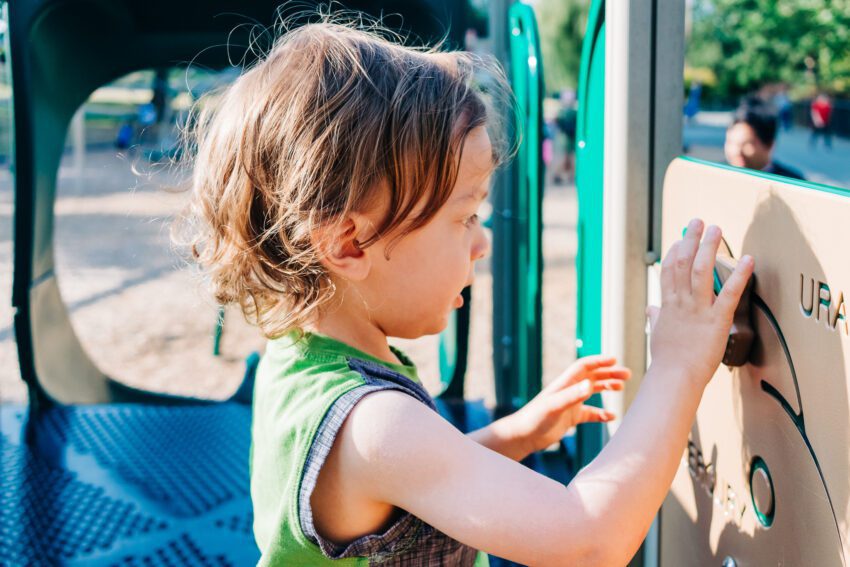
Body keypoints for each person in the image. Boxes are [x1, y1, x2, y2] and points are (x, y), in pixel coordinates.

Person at [183, 19, 754, 566]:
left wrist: (517, 435)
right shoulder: (373, 423)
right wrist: (678, 364)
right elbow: (590, 541)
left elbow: (403, 489)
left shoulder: (298, 354)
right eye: (465, 217)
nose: (482, 244)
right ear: (350, 245)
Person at [725, 99, 805, 180]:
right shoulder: (719, 176)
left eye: (746, 144)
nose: (736, 151)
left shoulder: (793, 184)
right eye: (730, 142)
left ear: (770, 144)